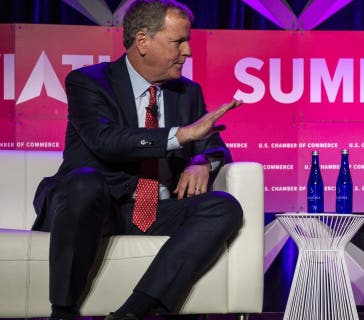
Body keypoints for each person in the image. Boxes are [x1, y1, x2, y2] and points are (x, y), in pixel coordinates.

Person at [31, 1, 244, 319]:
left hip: (149, 211)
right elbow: (105, 141)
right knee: (86, 182)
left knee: (224, 206)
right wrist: (181, 136)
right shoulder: (88, 82)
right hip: (91, 207)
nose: (187, 51)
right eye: (178, 42)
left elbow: (214, 145)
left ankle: (136, 310)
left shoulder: (187, 92)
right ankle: (63, 312)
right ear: (143, 41)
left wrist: (200, 160)